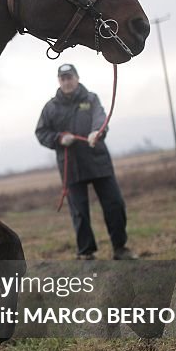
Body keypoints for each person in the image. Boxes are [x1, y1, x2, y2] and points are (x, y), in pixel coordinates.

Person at [35, 62, 137, 260]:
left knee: (115, 205)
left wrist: (96, 132)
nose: (67, 82)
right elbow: (41, 132)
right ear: (59, 81)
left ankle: (120, 248)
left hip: (98, 161)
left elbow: (101, 118)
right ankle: (86, 253)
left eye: (70, 77)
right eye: (63, 78)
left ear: (77, 78)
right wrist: (58, 139)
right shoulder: (50, 107)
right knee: (79, 213)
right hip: (71, 166)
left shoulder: (91, 99)